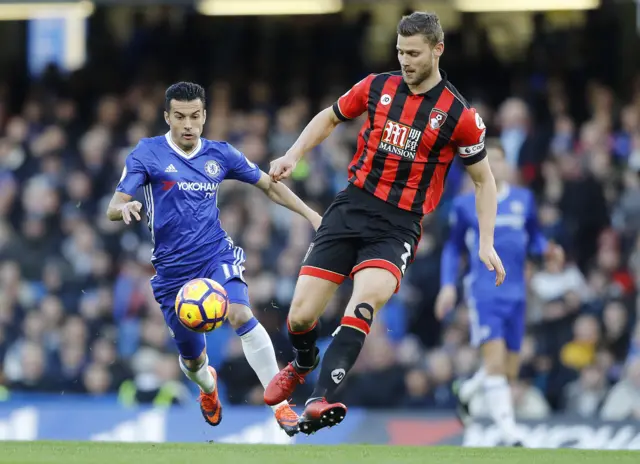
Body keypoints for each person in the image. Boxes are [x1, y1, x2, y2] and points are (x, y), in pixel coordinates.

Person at [264, 11, 506, 435]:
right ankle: (303, 360)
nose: (405, 60)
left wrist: (486, 242)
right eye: (400, 52)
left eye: (413, 53)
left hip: (398, 225)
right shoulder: (378, 86)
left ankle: (319, 400)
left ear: (437, 49)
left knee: (365, 302)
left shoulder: (458, 115)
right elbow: (330, 116)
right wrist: (293, 154)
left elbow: (484, 182)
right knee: (301, 317)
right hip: (351, 206)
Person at [106, 82, 322, 437]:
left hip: (214, 255)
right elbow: (114, 204)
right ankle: (208, 388)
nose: (188, 125)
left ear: (205, 116)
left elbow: (268, 184)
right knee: (193, 362)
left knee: (240, 313)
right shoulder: (147, 154)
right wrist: (125, 207)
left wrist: (312, 216)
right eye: (179, 117)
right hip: (173, 275)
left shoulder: (220, 154)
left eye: (195, 116)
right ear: (167, 117)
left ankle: (281, 405)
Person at [435, 139, 564, 446]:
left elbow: (532, 238)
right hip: (485, 291)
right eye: (488, 161)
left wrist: (548, 249)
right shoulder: (466, 204)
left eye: (500, 160)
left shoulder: (524, 199)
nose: (495, 166)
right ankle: (509, 433)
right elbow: (453, 249)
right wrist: (448, 286)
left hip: (518, 293)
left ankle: (468, 391)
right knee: (494, 363)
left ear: (508, 166)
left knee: (509, 370)